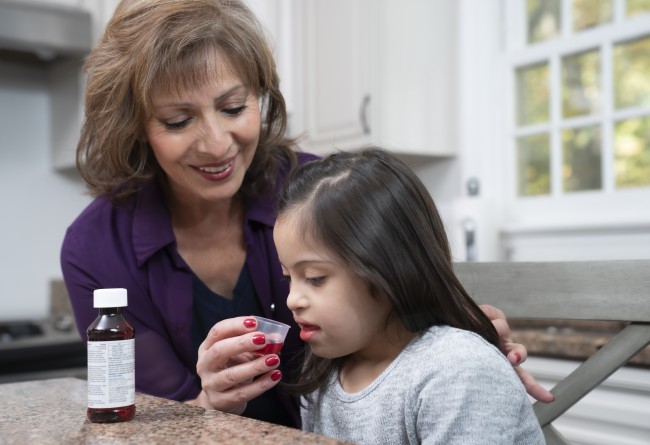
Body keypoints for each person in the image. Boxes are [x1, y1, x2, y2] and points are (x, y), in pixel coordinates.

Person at [60, 0, 552, 430]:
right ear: (134, 126)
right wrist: (208, 403)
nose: (216, 144)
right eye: (178, 120)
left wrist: (466, 340)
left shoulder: (317, 196)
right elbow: (142, 421)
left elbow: (405, 311)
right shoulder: (96, 247)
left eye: (233, 107)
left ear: (259, 96)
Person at [273, 148, 545, 444]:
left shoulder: (458, 371)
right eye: (289, 278)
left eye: (315, 278)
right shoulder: (321, 372)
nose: (292, 300)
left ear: (388, 267)